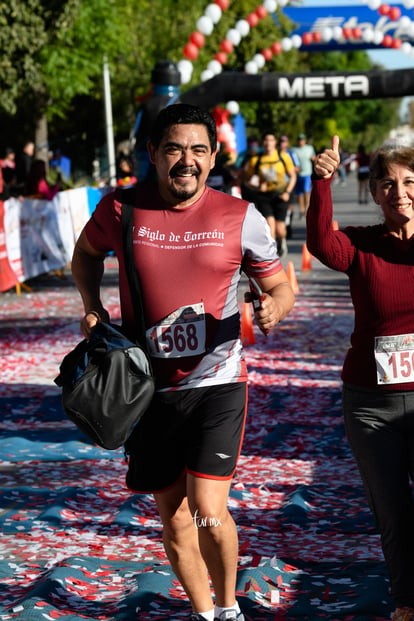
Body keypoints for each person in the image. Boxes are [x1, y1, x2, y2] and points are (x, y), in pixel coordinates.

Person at [71, 103, 295, 621]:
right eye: (173, 148)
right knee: (174, 523)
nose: (185, 160)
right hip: (145, 389)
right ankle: (204, 613)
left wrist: (272, 309)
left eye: (198, 149)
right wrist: (90, 304)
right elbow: (84, 255)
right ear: (152, 153)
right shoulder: (121, 209)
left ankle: (229, 606)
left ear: (213, 156)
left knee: (210, 513)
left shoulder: (241, 217)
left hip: (217, 381)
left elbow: (279, 285)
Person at [306, 135, 414, 621]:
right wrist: (322, 181)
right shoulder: (362, 244)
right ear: (373, 193)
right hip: (371, 404)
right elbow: (320, 244)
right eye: (388, 184)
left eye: (410, 182)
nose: (400, 193)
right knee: (392, 512)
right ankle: (407, 601)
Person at [243, 131, 296, 258]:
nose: (268, 143)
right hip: (264, 196)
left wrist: (288, 192)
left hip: (281, 194)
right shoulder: (256, 159)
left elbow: (293, 176)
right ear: (263, 143)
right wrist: (257, 186)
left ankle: (281, 240)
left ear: (275, 143)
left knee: (280, 230)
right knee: (269, 224)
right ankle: (271, 253)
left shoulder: (283, 156)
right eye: (265, 140)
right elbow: (247, 180)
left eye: (271, 140)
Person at [278, 135, 300, 239]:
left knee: (289, 206)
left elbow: (297, 167)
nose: (282, 143)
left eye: (284, 141)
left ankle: (288, 225)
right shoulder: (275, 153)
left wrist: (288, 169)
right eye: (280, 141)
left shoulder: (291, 153)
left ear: (287, 143)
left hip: (289, 183)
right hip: (278, 185)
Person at [292, 133, 316, 217]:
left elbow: (313, 157)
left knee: (306, 191)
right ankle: (301, 209)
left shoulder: (309, 148)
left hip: (307, 173)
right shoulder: (294, 150)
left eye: (302, 139)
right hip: (298, 174)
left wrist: (314, 159)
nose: (300, 141)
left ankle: (307, 209)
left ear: (305, 140)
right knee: (299, 193)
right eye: (299, 139)